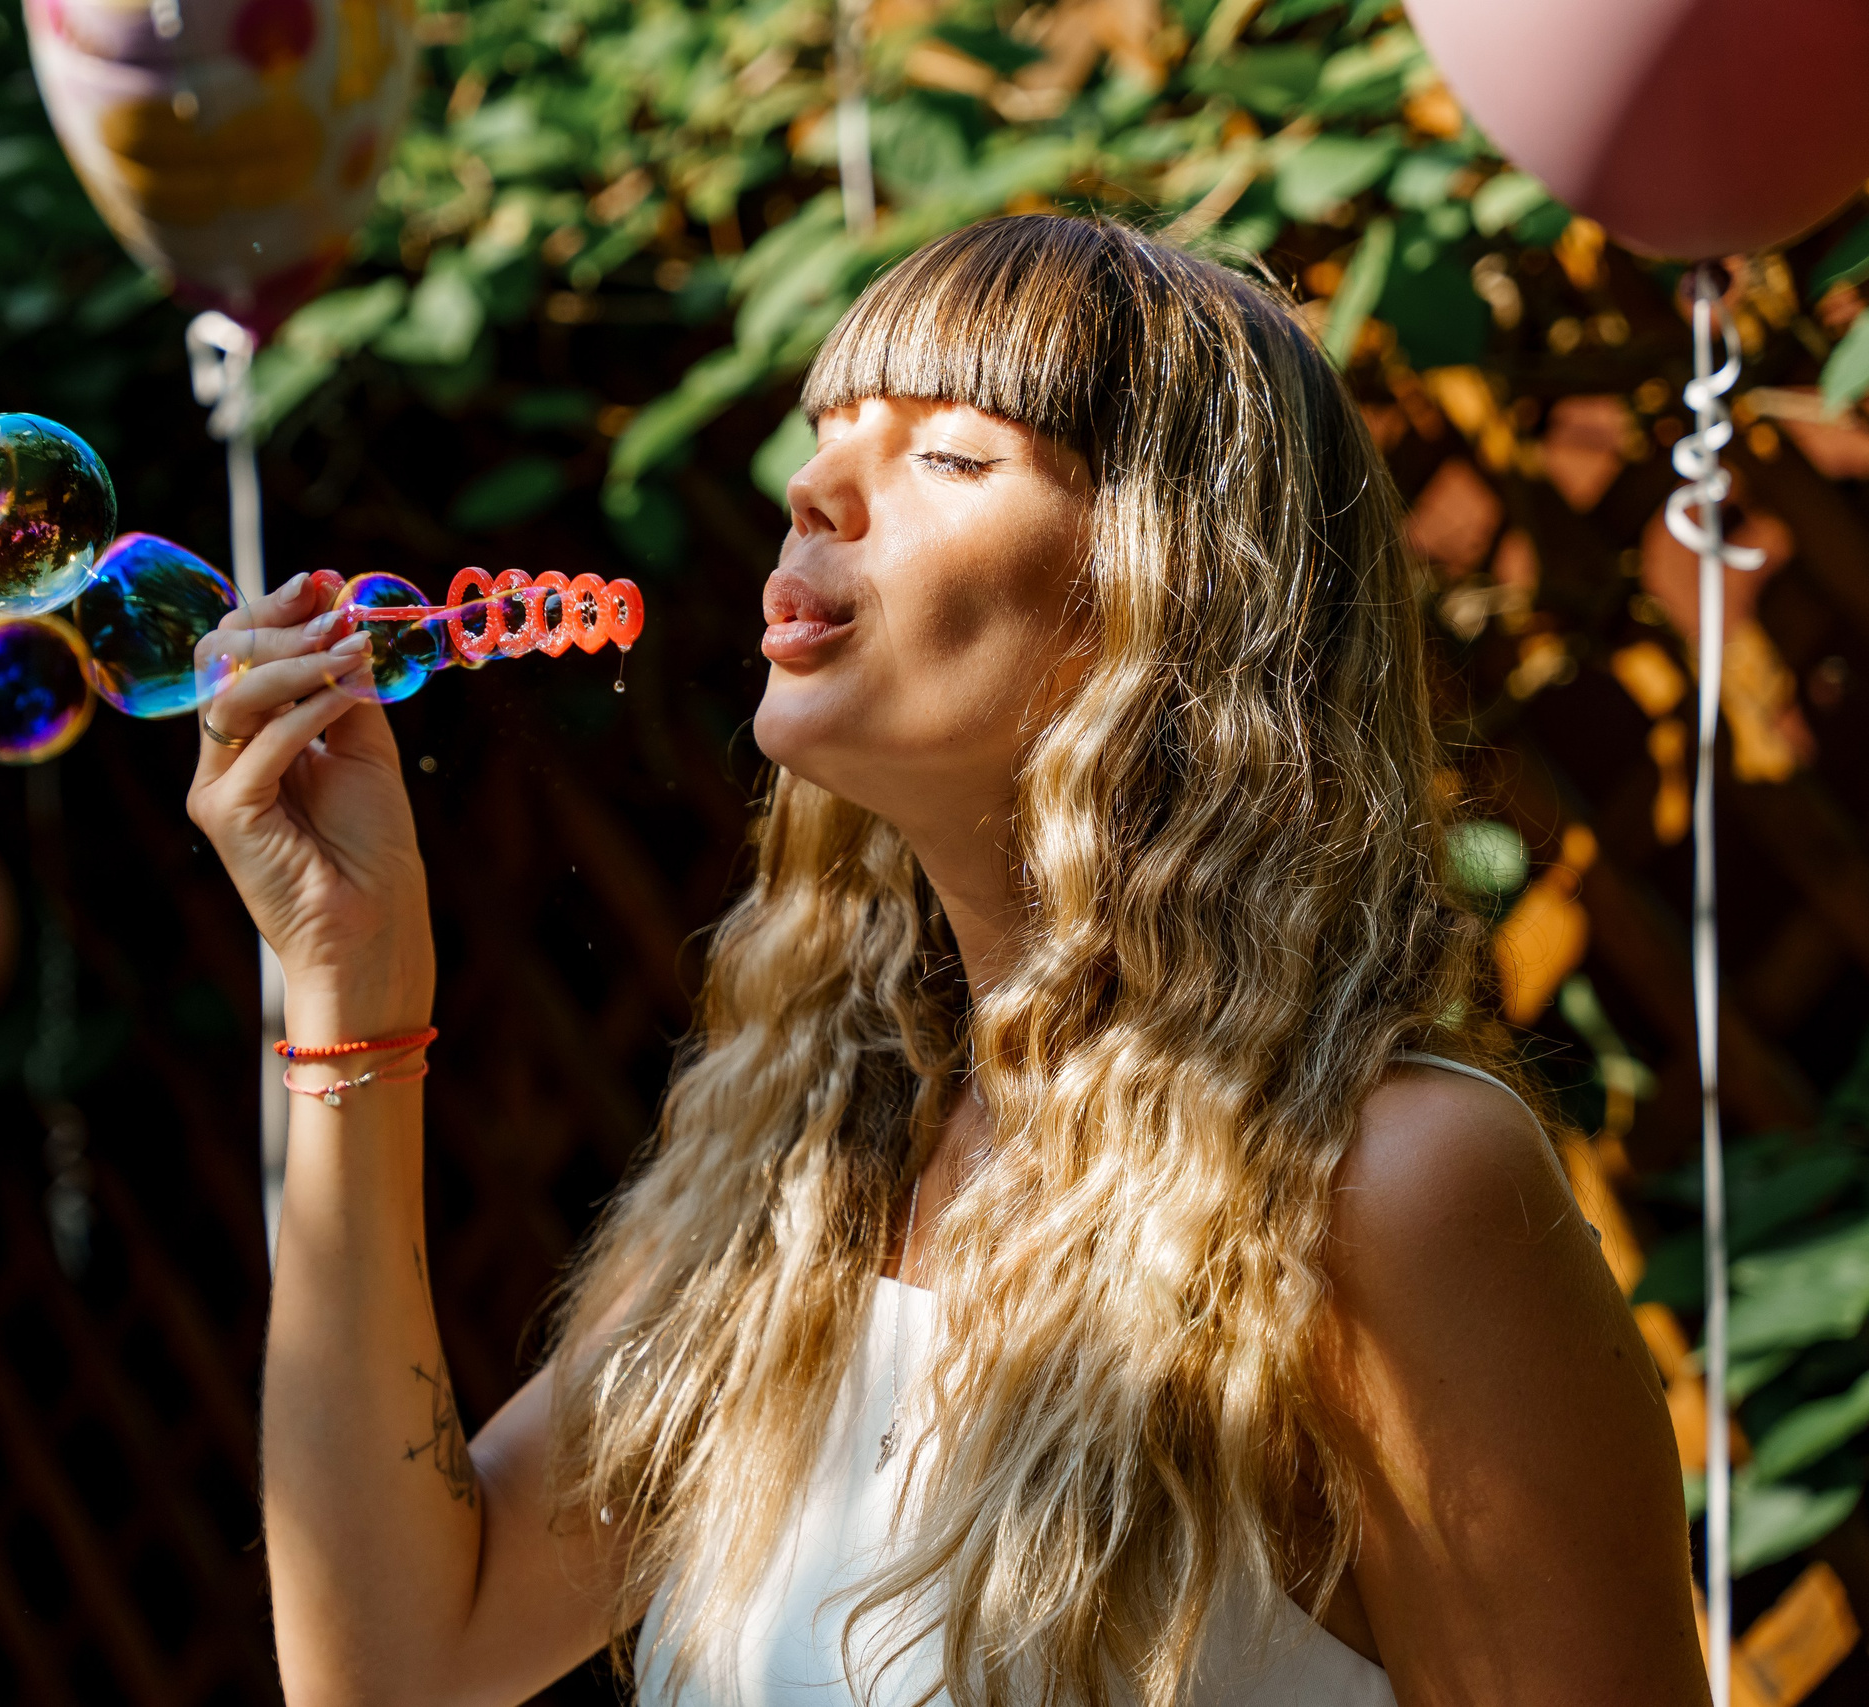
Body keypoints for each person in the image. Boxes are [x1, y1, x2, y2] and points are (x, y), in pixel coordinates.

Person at [184, 215, 1703, 1707]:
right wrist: (350, 994)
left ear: (1162, 593)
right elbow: (391, 1668)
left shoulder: (1381, 1188)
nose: (813, 486)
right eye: (829, 431)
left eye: (951, 455)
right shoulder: (799, 1171)